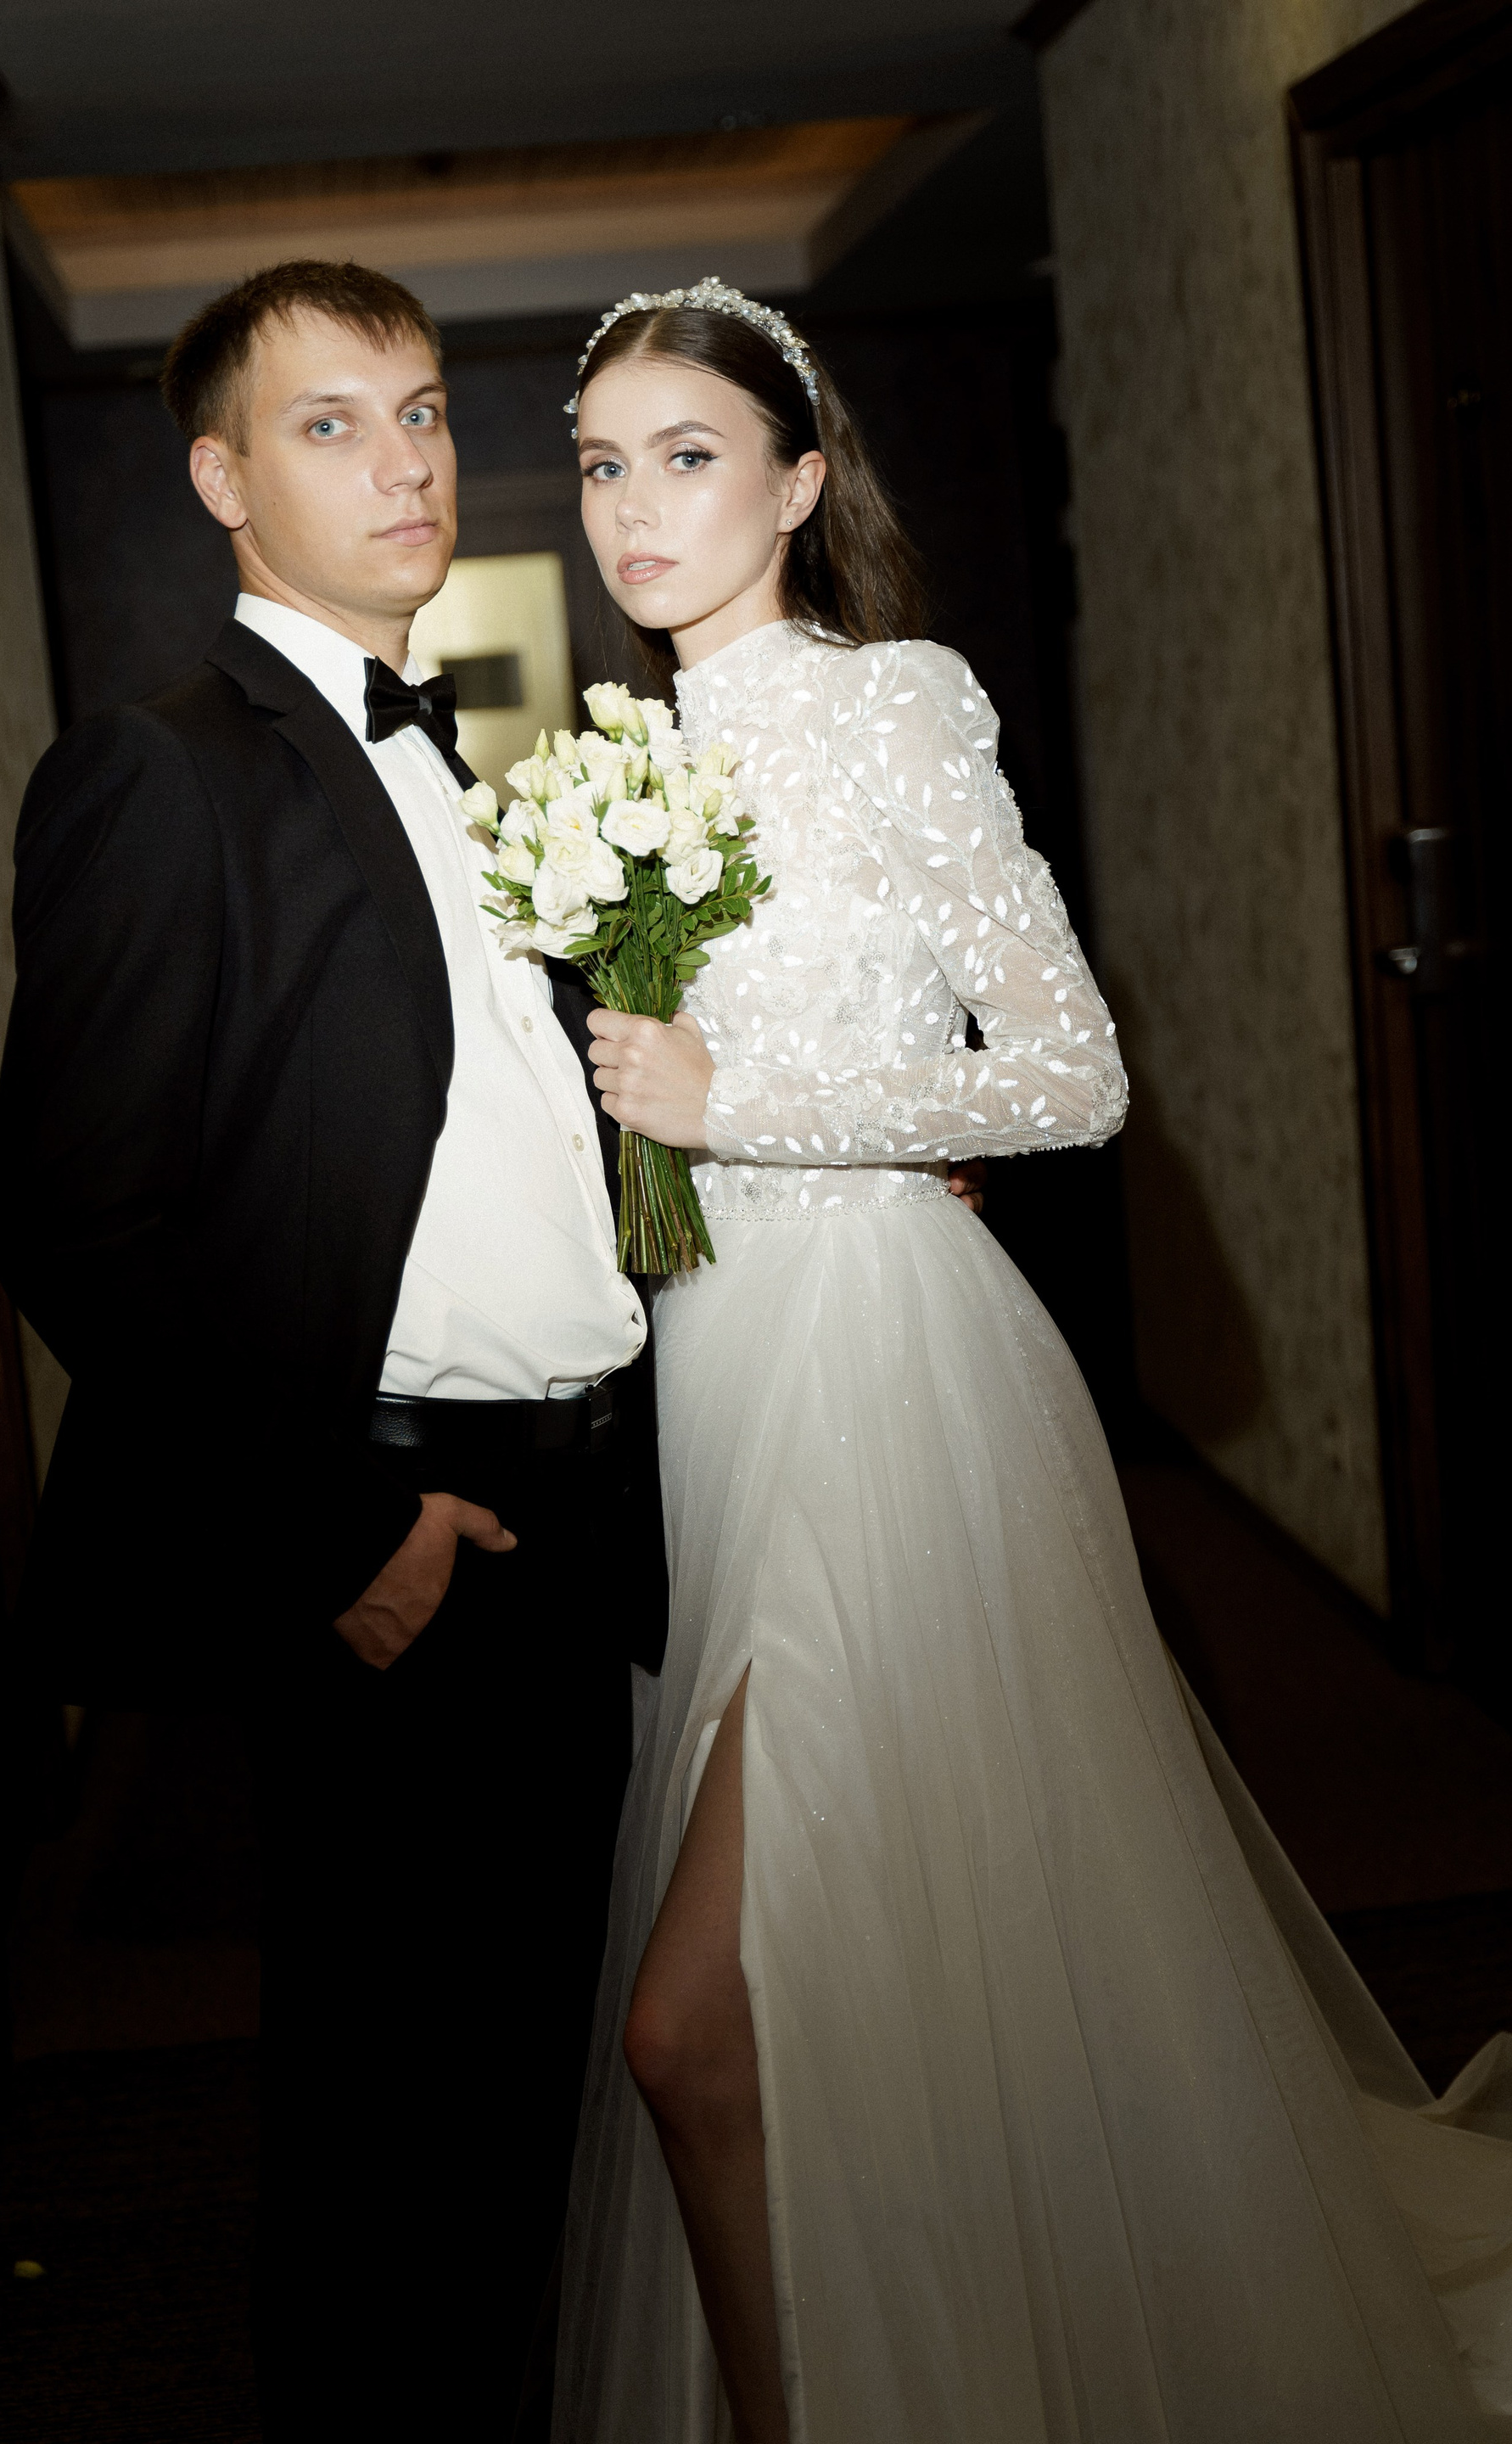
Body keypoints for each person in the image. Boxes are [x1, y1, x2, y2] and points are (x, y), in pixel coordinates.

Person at [552, 282, 1512, 2442]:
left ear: (800, 482)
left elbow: (1073, 1074)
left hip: (882, 1375)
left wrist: (749, 1103)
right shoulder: (623, 764)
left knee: (694, 2030)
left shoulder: (892, 704)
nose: (634, 507)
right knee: (871, 1977)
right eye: (602, 463)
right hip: (712, 1384)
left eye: (688, 456)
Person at [0, 258, 664, 2440]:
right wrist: (341, 1535)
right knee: (398, 2127)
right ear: (222, 480)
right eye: (330, 425)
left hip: (583, 1507)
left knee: (544, 2081)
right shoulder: (160, 773)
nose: (405, 464)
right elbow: (75, 1224)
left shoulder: (467, 760)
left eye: (426, 413)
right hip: (401, 1532)